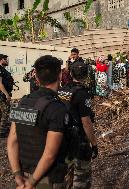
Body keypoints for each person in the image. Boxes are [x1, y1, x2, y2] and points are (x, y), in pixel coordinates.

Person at [7, 55, 69, 189]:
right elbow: (49, 155)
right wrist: (31, 183)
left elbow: (12, 141)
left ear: (36, 77)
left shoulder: (23, 102)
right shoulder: (57, 108)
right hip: (47, 179)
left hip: (25, 175)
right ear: (59, 75)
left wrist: (18, 175)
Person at [58, 61, 98, 189]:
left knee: (66, 174)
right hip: (79, 140)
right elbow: (86, 122)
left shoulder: (62, 90)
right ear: (86, 75)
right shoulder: (82, 94)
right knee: (82, 176)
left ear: (70, 73)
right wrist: (94, 144)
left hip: (63, 138)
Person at [0, 54, 14, 138]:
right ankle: (2, 131)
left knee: (4, 112)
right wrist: (6, 94)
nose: (7, 60)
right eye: (5, 59)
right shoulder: (0, 69)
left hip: (3, 94)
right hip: (2, 95)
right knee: (5, 112)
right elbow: (0, 84)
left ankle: (4, 128)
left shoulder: (3, 70)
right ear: (1, 60)